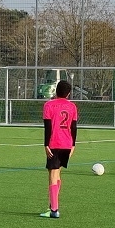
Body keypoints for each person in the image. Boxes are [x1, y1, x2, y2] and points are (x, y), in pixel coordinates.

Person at [39, 80, 78, 218]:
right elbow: (74, 127)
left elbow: (48, 127)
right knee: (57, 173)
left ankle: (54, 210)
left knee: (52, 175)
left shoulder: (49, 105)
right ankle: (53, 206)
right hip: (67, 143)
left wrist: (46, 145)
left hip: (54, 143)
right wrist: (73, 145)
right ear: (68, 93)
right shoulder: (72, 106)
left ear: (56, 91)